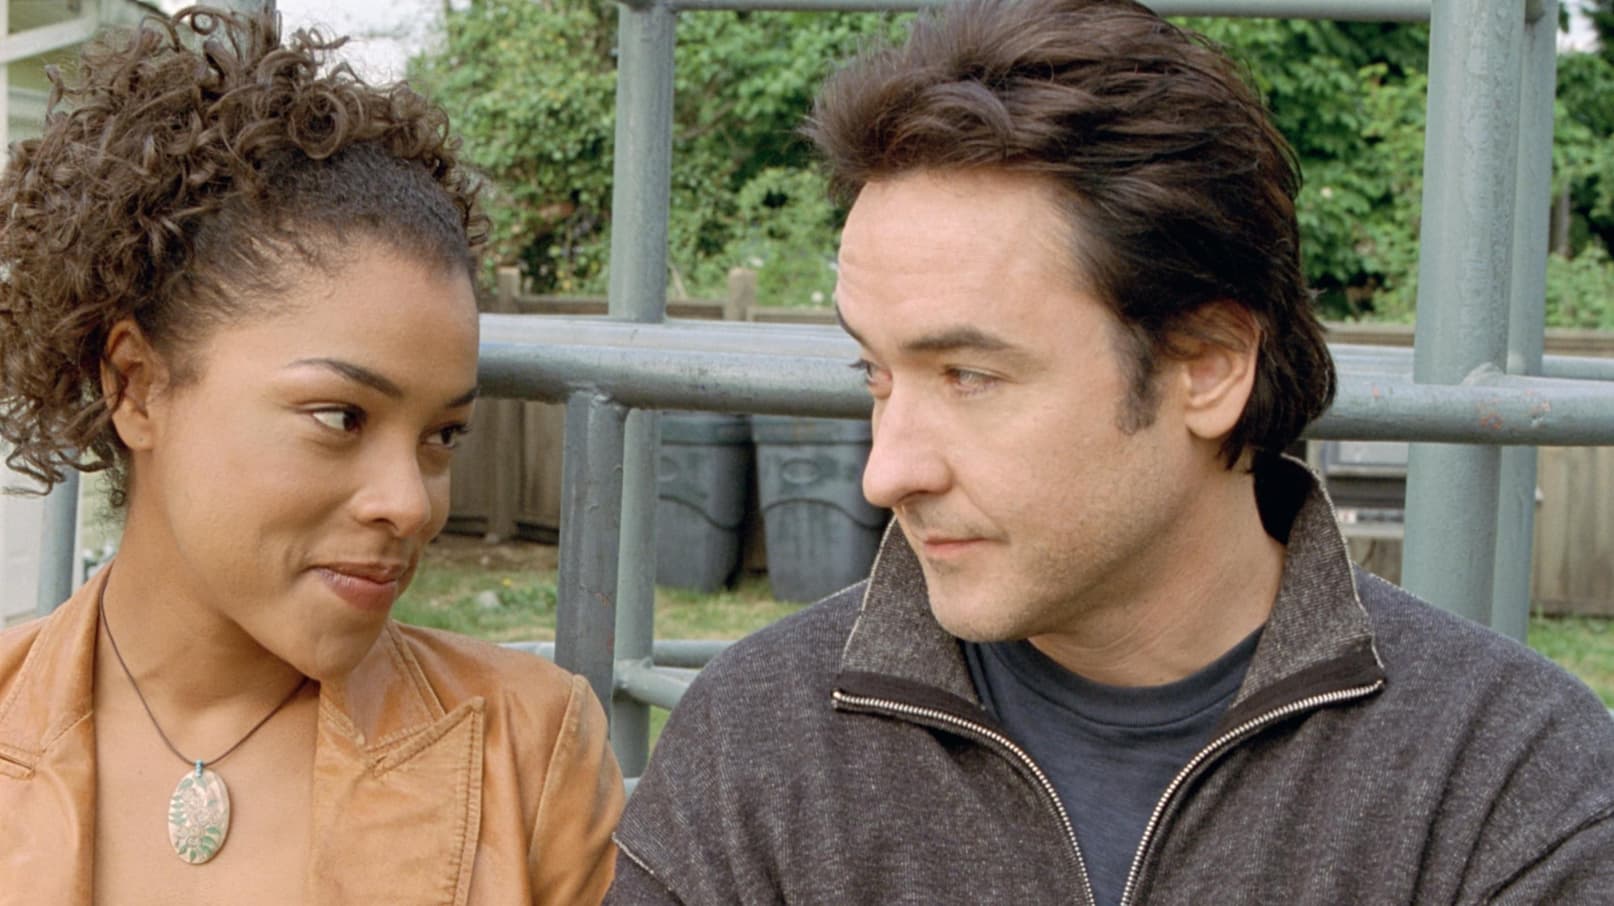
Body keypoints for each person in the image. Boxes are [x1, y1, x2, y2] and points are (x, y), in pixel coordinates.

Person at [606, 1, 1614, 903]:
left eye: (970, 376)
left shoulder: (1507, 782)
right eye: (876, 374)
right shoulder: (759, 745)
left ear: (1208, 364)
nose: (888, 470)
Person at [0, 7, 621, 904]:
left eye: (443, 435)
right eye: (340, 417)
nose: (411, 505)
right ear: (136, 386)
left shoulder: (527, 757)